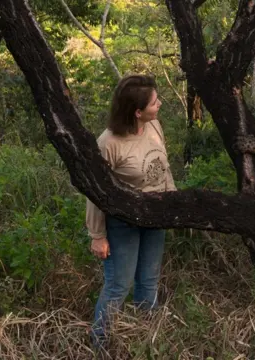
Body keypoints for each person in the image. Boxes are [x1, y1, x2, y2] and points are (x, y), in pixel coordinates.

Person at [85, 74, 176, 349]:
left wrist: (173, 204)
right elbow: (95, 193)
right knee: (118, 286)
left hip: (155, 217)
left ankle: (146, 342)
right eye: (154, 102)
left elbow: (164, 168)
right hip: (123, 222)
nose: (159, 104)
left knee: (148, 283)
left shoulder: (154, 126)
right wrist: (97, 235)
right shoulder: (109, 143)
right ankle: (99, 345)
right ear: (137, 112)